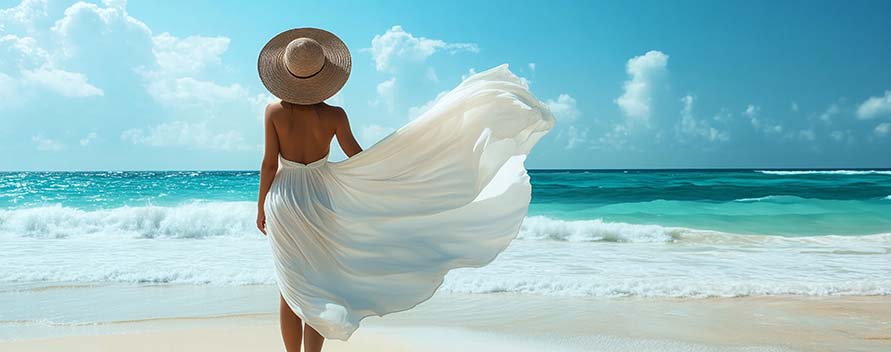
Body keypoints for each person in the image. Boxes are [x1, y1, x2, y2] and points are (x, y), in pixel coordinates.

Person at [255, 27, 554, 352]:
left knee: (290, 286)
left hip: (284, 200)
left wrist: (260, 208)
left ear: (285, 74)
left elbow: (270, 164)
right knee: (317, 285)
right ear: (323, 74)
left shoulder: (274, 112)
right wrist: (397, 168)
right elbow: (358, 157)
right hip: (321, 198)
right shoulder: (335, 116)